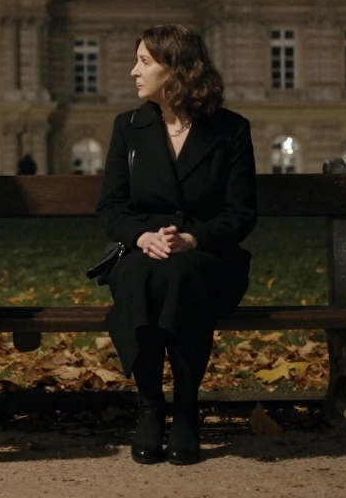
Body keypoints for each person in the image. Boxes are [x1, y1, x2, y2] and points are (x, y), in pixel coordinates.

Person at [95, 24, 256, 466]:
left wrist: (192, 239)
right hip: (144, 253)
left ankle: (185, 409)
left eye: (144, 61)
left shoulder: (229, 130)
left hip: (209, 259)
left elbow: (240, 213)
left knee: (179, 276)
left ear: (177, 69)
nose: (133, 71)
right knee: (142, 274)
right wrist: (142, 236)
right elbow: (111, 207)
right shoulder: (129, 127)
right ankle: (150, 406)